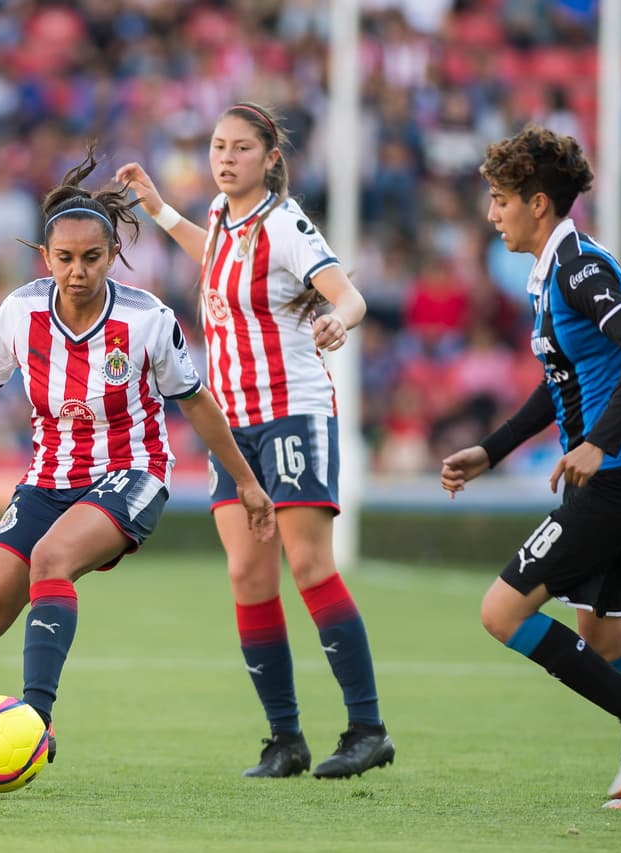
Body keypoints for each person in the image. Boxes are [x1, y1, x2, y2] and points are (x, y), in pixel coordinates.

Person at [0, 150, 276, 791]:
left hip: (131, 474)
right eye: (65, 258)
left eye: (91, 258)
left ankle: (36, 721)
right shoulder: (20, 311)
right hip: (48, 478)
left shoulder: (147, 320)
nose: (77, 271)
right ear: (46, 258)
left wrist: (247, 482)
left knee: (51, 558)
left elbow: (196, 403)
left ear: (112, 256)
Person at [116, 102, 395, 779]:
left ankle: (366, 727)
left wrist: (340, 318)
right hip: (231, 420)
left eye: (241, 148)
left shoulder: (286, 223)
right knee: (247, 572)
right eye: (218, 146)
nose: (226, 157)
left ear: (271, 157)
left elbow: (346, 292)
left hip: (293, 410)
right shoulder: (220, 214)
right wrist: (157, 207)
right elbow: (215, 260)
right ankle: (285, 738)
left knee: (308, 565)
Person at [440, 124, 621, 809]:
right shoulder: (550, 272)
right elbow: (558, 381)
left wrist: (596, 442)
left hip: (618, 477)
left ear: (537, 203)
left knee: (501, 611)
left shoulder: (578, 266)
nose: (492, 212)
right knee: (605, 631)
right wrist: (492, 450)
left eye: (500, 199)